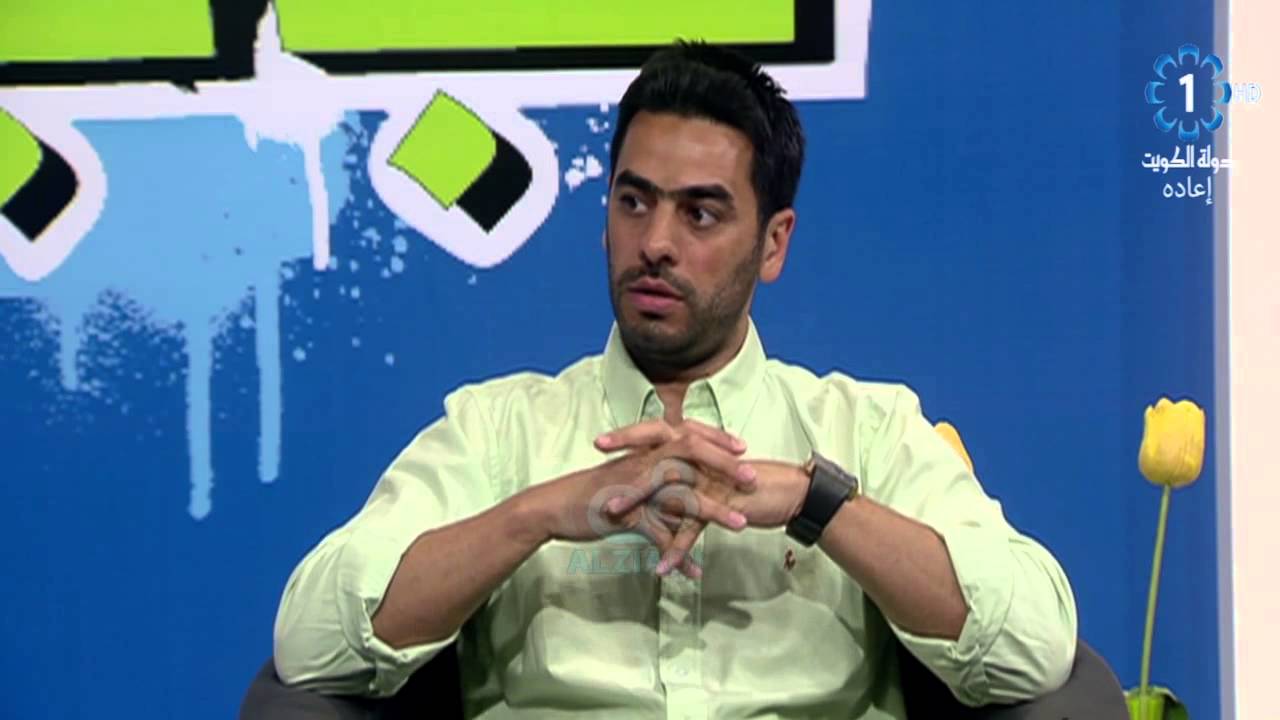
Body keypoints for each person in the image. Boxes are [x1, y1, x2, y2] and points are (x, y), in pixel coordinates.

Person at [273, 41, 1078, 718]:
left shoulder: (865, 426)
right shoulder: (498, 429)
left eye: (700, 213)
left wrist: (815, 502)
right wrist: (540, 512)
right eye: (634, 202)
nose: (655, 242)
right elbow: (308, 645)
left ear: (773, 243)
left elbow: (1034, 647)